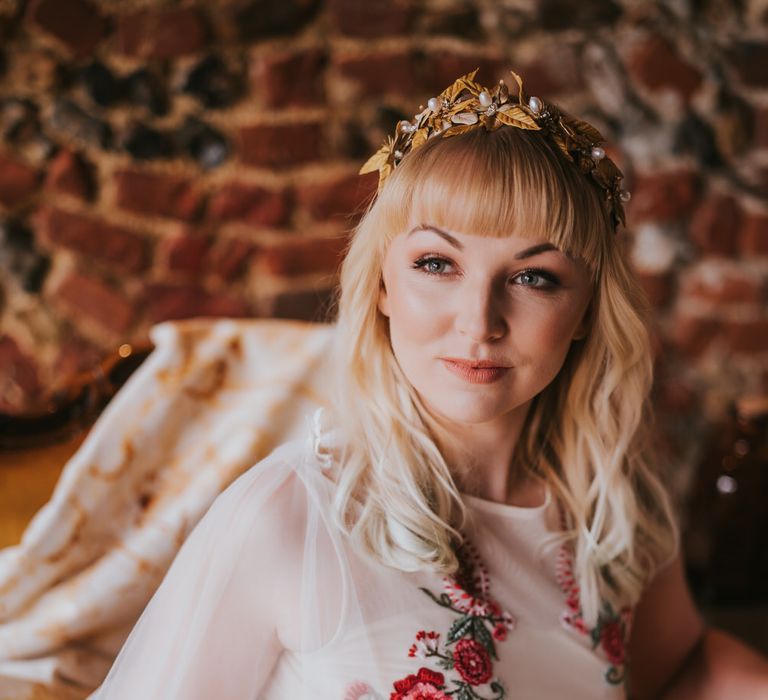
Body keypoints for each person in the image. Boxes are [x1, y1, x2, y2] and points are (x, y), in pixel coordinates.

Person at [91, 70, 768, 699]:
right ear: (382, 285)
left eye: (534, 277)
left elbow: (682, 670)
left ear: (588, 308)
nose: (479, 322)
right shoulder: (289, 517)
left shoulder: (618, 512)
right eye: (437, 263)